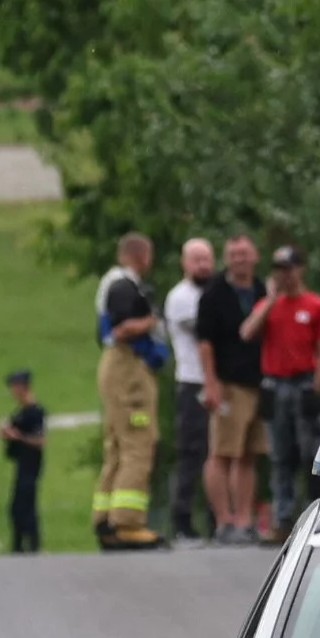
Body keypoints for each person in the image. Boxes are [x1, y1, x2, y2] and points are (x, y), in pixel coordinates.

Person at [240, 243, 320, 537]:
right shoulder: (269, 306)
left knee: (309, 452)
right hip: (275, 384)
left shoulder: (316, 305)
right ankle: (282, 519)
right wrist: (271, 299)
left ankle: (314, 513)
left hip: (303, 382)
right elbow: (247, 333)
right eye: (279, 270)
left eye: (288, 269)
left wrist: (317, 388)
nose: (284, 275)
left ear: (300, 269)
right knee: (279, 455)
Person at [94, 232, 167, 550]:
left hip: (117, 368)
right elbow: (123, 328)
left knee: (117, 445)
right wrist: (151, 320)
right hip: (128, 369)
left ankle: (106, 519)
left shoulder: (112, 283)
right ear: (143, 255)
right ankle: (127, 522)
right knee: (138, 442)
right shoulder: (124, 286)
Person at [195, 234, 267, 545]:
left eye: (244, 254)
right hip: (228, 384)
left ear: (255, 256)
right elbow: (204, 342)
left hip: (259, 382)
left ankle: (244, 520)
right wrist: (211, 382)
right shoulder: (214, 294)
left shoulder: (263, 290)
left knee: (249, 454)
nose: (239, 260)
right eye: (234, 254)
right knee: (222, 452)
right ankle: (223, 521)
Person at [164, 238, 216, 544]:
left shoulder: (213, 293)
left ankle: (217, 521)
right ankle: (182, 522)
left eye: (207, 259)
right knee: (191, 453)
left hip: (218, 383)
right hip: (193, 381)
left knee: (218, 454)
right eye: (196, 259)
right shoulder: (181, 297)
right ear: (184, 263)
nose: (203, 265)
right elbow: (208, 332)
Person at [0, 368, 46, 553]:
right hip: (20, 463)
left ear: (22, 387)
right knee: (16, 508)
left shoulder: (35, 411)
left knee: (26, 506)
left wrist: (17, 436)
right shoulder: (21, 411)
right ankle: (18, 545)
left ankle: (32, 544)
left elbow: (40, 440)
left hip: (31, 464)